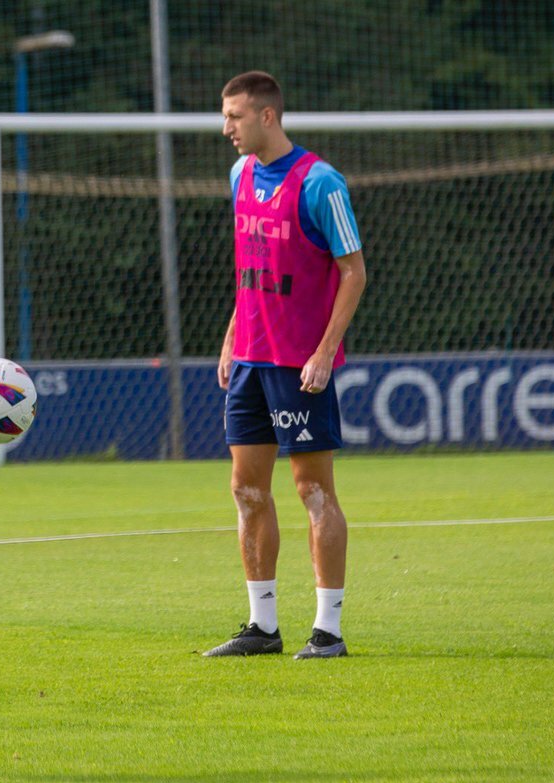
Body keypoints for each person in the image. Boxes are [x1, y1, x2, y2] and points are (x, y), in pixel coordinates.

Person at [203, 72, 367, 660]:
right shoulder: (240, 175)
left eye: (234, 116)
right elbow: (251, 268)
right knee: (247, 489)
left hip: (298, 364)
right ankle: (262, 626)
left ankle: (328, 631)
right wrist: (231, 336)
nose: (226, 127)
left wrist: (324, 352)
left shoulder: (321, 183)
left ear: (267, 116)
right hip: (249, 358)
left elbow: (354, 272)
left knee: (313, 491)